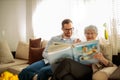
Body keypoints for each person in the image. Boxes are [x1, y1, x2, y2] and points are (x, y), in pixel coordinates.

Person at [51, 25, 117, 80]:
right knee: (66, 77)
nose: (90, 35)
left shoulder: (103, 47)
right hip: (80, 68)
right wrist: (74, 47)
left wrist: (102, 59)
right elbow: (74, 60)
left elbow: (111, 65)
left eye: (92, 33)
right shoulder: (81, 45)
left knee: (67, 62)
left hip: (92, 71)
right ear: (85, 34)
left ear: (96, 35)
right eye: (87, 33)